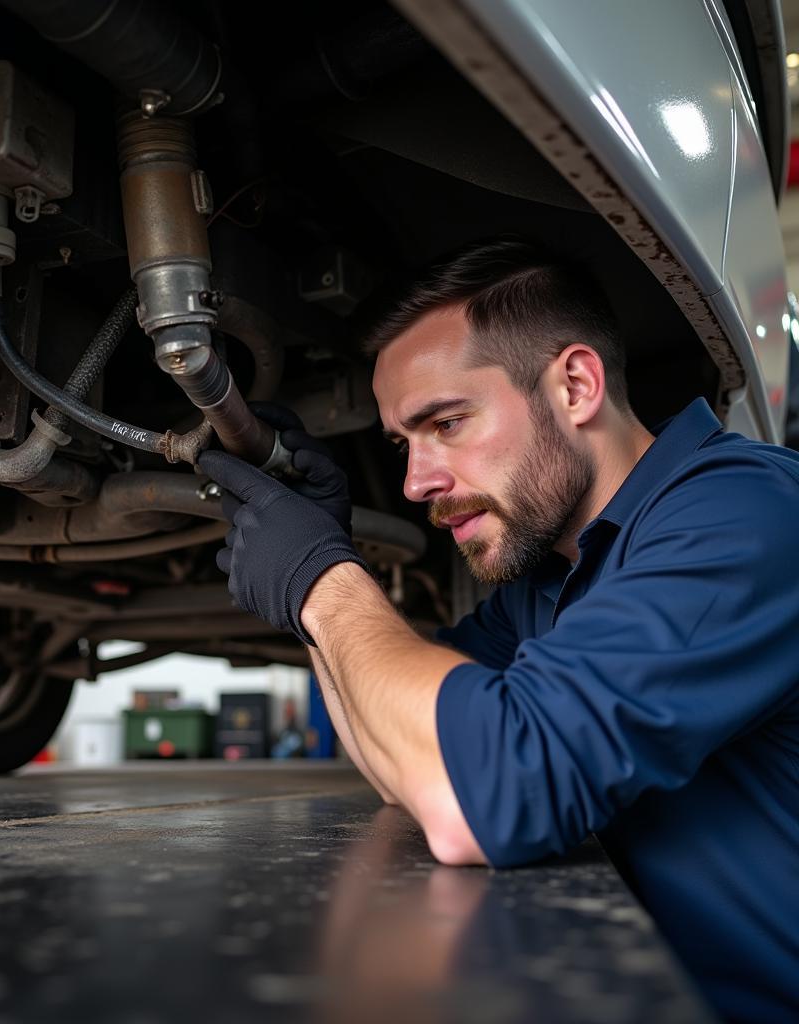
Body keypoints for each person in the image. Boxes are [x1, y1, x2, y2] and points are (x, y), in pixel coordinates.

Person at [197, 238, 799, 1022]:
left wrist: (319, 581)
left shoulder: (748, 512)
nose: (417, 483)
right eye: (403, 444)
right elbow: (409, 760)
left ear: (576, 385)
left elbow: (475, 799)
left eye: (445, 422)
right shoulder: (547, 580)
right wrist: (321, 576)